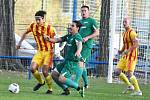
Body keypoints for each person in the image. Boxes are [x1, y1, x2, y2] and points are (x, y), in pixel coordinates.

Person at [16, 10, 55, 94]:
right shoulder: (33, 26)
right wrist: (19, 43)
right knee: (32, 68)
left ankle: (50, 89)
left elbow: (55, 41)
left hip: (48, 52)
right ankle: (41, 82)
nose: (37, 21)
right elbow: (25, 33)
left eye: (39, 19)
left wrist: (53, 53)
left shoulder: (50, 28)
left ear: (43, 19)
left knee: (45, 72)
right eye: (36, 19)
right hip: (40, 52)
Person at [44, 20, 85, 97]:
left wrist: (78, 51)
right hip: (66, 61)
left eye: (73, 26)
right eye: (70, 25)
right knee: (54, 74)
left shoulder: (77, 36)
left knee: (61, 79)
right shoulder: (69, 36)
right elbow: (57, 40)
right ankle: (66, 90)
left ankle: (79, 88)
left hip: (71, 63)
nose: (70, 27)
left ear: (77, 28)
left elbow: (79, 44)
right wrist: (49, 39)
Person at [114, 17, 142, 96]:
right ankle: (130, 86)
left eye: (125, 22)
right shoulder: (124, 33)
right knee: (117, 71)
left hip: (132, 56)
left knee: (130, 74)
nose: (124, 23)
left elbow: (136, 44)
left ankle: (138, 91)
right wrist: (121, 51)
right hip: (125, 56)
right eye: (123, 22)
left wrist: (128, 51)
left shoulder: (132, 32)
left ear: (129, 23)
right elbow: (125, 44)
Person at [74, 5, 99, 88]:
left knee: (80, 62)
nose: (83, 12)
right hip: (79, 46)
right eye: (82, 11)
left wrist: (87, 37)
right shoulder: (79, 22)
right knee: (82, 65)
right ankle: (86, 84)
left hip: (86, 46)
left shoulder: (92, 21)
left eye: (85, 10)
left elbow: (97, 32)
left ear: (88, 12)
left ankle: (75, 83)